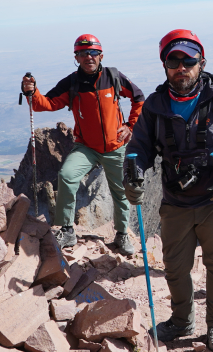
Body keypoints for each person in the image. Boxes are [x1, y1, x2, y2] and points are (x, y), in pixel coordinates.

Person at [124, 29, 213, 351]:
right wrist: (134, 175)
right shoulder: (155, 107)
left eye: (189, 60)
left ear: (201, 63)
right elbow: (138, 149)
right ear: (165, 65)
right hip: (175, 203)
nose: (181, 66)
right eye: (174, 60)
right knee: (174, 267)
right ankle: (181, 321)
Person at [20, 34, 145, 256]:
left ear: (101, 55)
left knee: (120, 192)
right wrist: (32, 92)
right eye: (83, 53)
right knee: (67, 176)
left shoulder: (113, 77)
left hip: (116, 146)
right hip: (86, 147)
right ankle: (67, 230)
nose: (89, 56)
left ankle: (122, 234)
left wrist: (131, 126)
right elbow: (46, 104)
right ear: (76, 57)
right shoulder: (72, 83)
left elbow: (139, 97)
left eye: (93, 52)